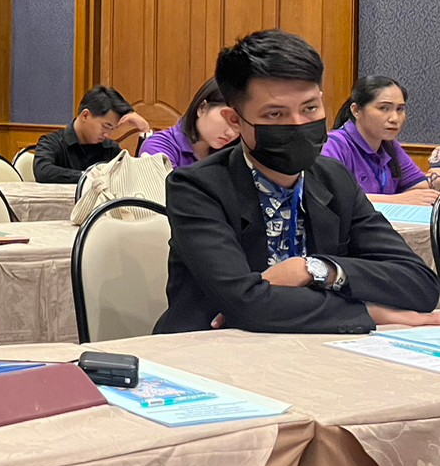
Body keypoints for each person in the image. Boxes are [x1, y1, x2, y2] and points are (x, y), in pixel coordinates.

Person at [156, 30, 440, 335]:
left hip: (318, 346)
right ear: (235, 120)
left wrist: (316, 269)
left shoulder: (333, 179)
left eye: (310, 109)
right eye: (275, 114)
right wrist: (370, 311)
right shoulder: (196, 187)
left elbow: (420, 283)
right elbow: (247, 305)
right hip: (207, 348)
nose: (298, 125)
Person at [322, 76, 440, 204]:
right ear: (356, 110)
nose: (394, 118)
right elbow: (331, 197)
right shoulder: (333, 145)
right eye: (384, 108)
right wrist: (396, 200)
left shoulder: (390, 146)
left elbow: (420, 187)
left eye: (400, 109)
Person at [34, 85, 151, 184]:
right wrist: (90, 176)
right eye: (106, 126)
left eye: (113, 129)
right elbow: (43, 172)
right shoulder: (51, 142)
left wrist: (145, 131)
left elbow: (133, 175)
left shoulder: (109, 148)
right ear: (85, 115)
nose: (108, 135)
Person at [139, 79, 239, 169]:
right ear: (202, 107)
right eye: (229, 119)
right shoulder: (159, 147)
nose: (232, 133)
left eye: (241, 124)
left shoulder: (233, 154)